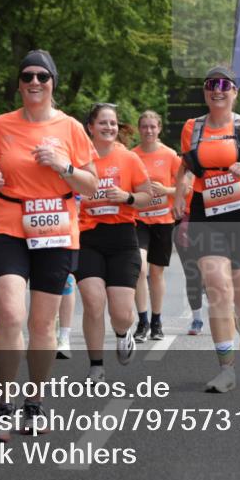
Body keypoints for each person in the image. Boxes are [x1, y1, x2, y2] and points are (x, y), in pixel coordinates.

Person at [0, 50, 97, 439]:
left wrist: (62, 167)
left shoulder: (71, 128)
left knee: (42, 323)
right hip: (9, 225)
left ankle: (35, 403)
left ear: (52, 83)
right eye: (27, 76)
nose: (34, 82)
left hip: (56, 230)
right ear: (18, 83)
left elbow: (91, 184)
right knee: (10, 315)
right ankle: (4, 405)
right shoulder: (4, 126)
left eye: (42, 77)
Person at [173, 66, 240, 393]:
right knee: (217, 286)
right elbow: (185, 166)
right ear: (205, 92)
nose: (216, 90)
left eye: (224, 85)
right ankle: (226, 369)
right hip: (207, 213)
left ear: (234, 92)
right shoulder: (192, 128)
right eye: (210, 85)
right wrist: (180, 190)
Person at [77, 103, 151, 381]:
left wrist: (128, 198)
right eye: (103, 123)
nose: (109, 128)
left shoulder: (129, 158)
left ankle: (123, 333)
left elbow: (146, 196)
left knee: (122, 314)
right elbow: (66, 192)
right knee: (93, 302)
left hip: (122, 238)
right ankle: (96, 365)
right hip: (87, 237)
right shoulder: (80, 157)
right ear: (91, 127)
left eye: (113, 123)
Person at [131, 111, 180, 342]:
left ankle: (157, 320)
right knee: (140, 270)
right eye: (144, 127)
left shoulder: (170, 155)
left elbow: (185, 188)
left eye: (153, 126)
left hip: (163, 221)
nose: (148, 131)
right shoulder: (131, 155)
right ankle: (142, 321)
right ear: (139, 129)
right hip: (138, 220)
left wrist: (166, 191)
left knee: (156, 273)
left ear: (159, 128)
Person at [173, 170, 205, 335]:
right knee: (192, 274)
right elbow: (182, 189)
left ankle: (224, 313)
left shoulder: (220, 167)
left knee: (212, 273)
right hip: (185, 223)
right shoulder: (183, 170)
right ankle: (197, 319)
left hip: (211, 224)